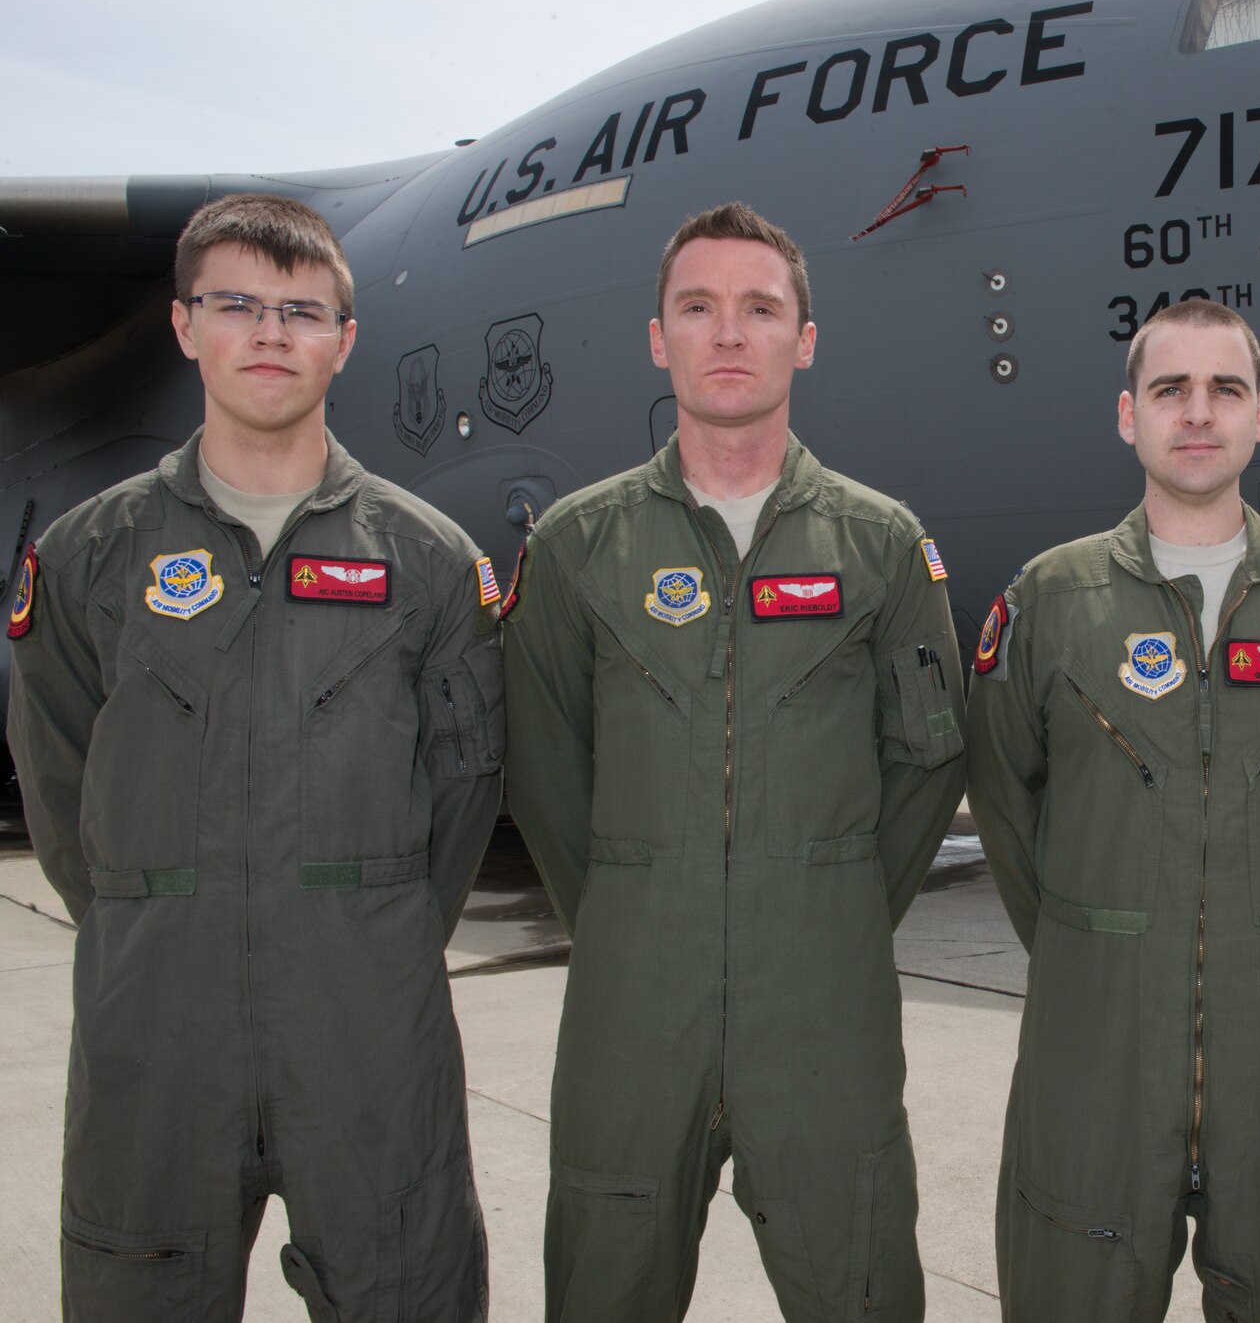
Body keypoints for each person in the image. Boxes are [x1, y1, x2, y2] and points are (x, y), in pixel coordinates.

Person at [7, 193, 502, 1321]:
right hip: (156, 1039)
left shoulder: (428, 564)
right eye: (237, 304)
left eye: (301, 310)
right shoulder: (94, 555)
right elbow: (62, 782)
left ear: (344, 340)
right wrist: (155, 918)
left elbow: (462, 797)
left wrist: (359, 934)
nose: (270, 334)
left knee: (407, 1289)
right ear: (185, 325)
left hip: (369, 1037)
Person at [504, 202, 966, 1322]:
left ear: (803, 340)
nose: (727, 333)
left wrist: (825, 902)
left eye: (759, 309)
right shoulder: (576, 545)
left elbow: (925, 767)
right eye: (697, 308)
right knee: (605, 1283)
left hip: (823, 1012)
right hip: (629, 1008)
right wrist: (631, 902)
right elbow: (543, 768)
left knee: (857, 1282)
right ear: (656, 338)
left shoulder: (881, 545)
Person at [965, 299, 1260, 1321]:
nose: (1197, 412)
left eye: (1223, 389)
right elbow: (1005, 801)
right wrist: (1102, 944)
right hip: (1093, 1063)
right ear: (1126, 416)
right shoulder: (1047, 603)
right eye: (1168, 388)